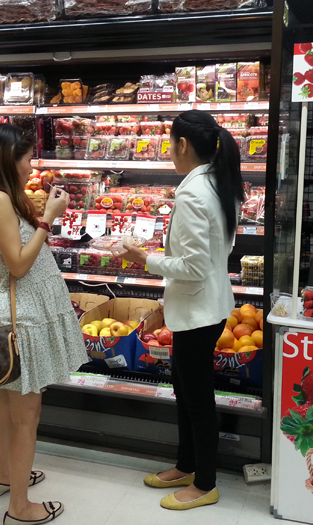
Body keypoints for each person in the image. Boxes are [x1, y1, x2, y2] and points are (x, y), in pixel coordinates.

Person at [116, 110, 244, 511]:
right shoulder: (220, 183)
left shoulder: (192, 193)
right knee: (185, 393)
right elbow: (211, 257)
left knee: (197, 399)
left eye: (171, 145)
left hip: (196, 312)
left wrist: (144, 258)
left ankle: (205, 483)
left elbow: (190, 267)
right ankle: (186, 465)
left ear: (182, 145)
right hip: (208, 305)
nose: (170, 153)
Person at [0, 123, 88, 525]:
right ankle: (19, 506)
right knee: (26, 413)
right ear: (8, 159)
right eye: (27, 158)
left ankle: (4, 477)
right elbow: (18, 264)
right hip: (17, 320)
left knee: (5, 404)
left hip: (1, 314)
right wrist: (48, 220)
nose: (31, 166)